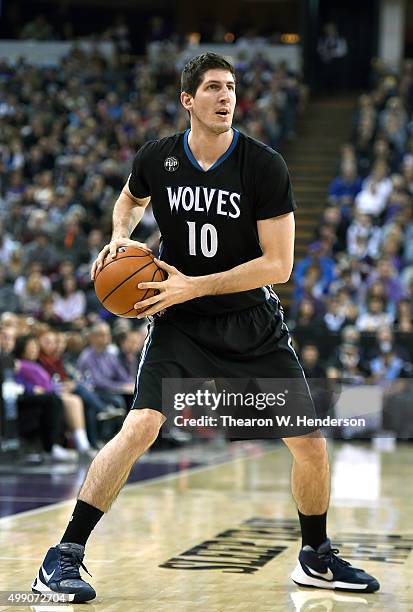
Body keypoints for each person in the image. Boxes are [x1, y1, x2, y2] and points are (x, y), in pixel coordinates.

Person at [33, 52, 379, 602]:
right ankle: (63, 555)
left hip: (251, 321)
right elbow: (129, 200)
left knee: (310, 444)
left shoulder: (264, 165)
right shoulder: (159, 158)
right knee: (141, 426)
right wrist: (121, 236)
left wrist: (195, 283)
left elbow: (279, 265)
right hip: (181, 322)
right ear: (187, 100)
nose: (226, 97)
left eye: (232, 88)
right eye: (214, 88)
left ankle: (315, 555)